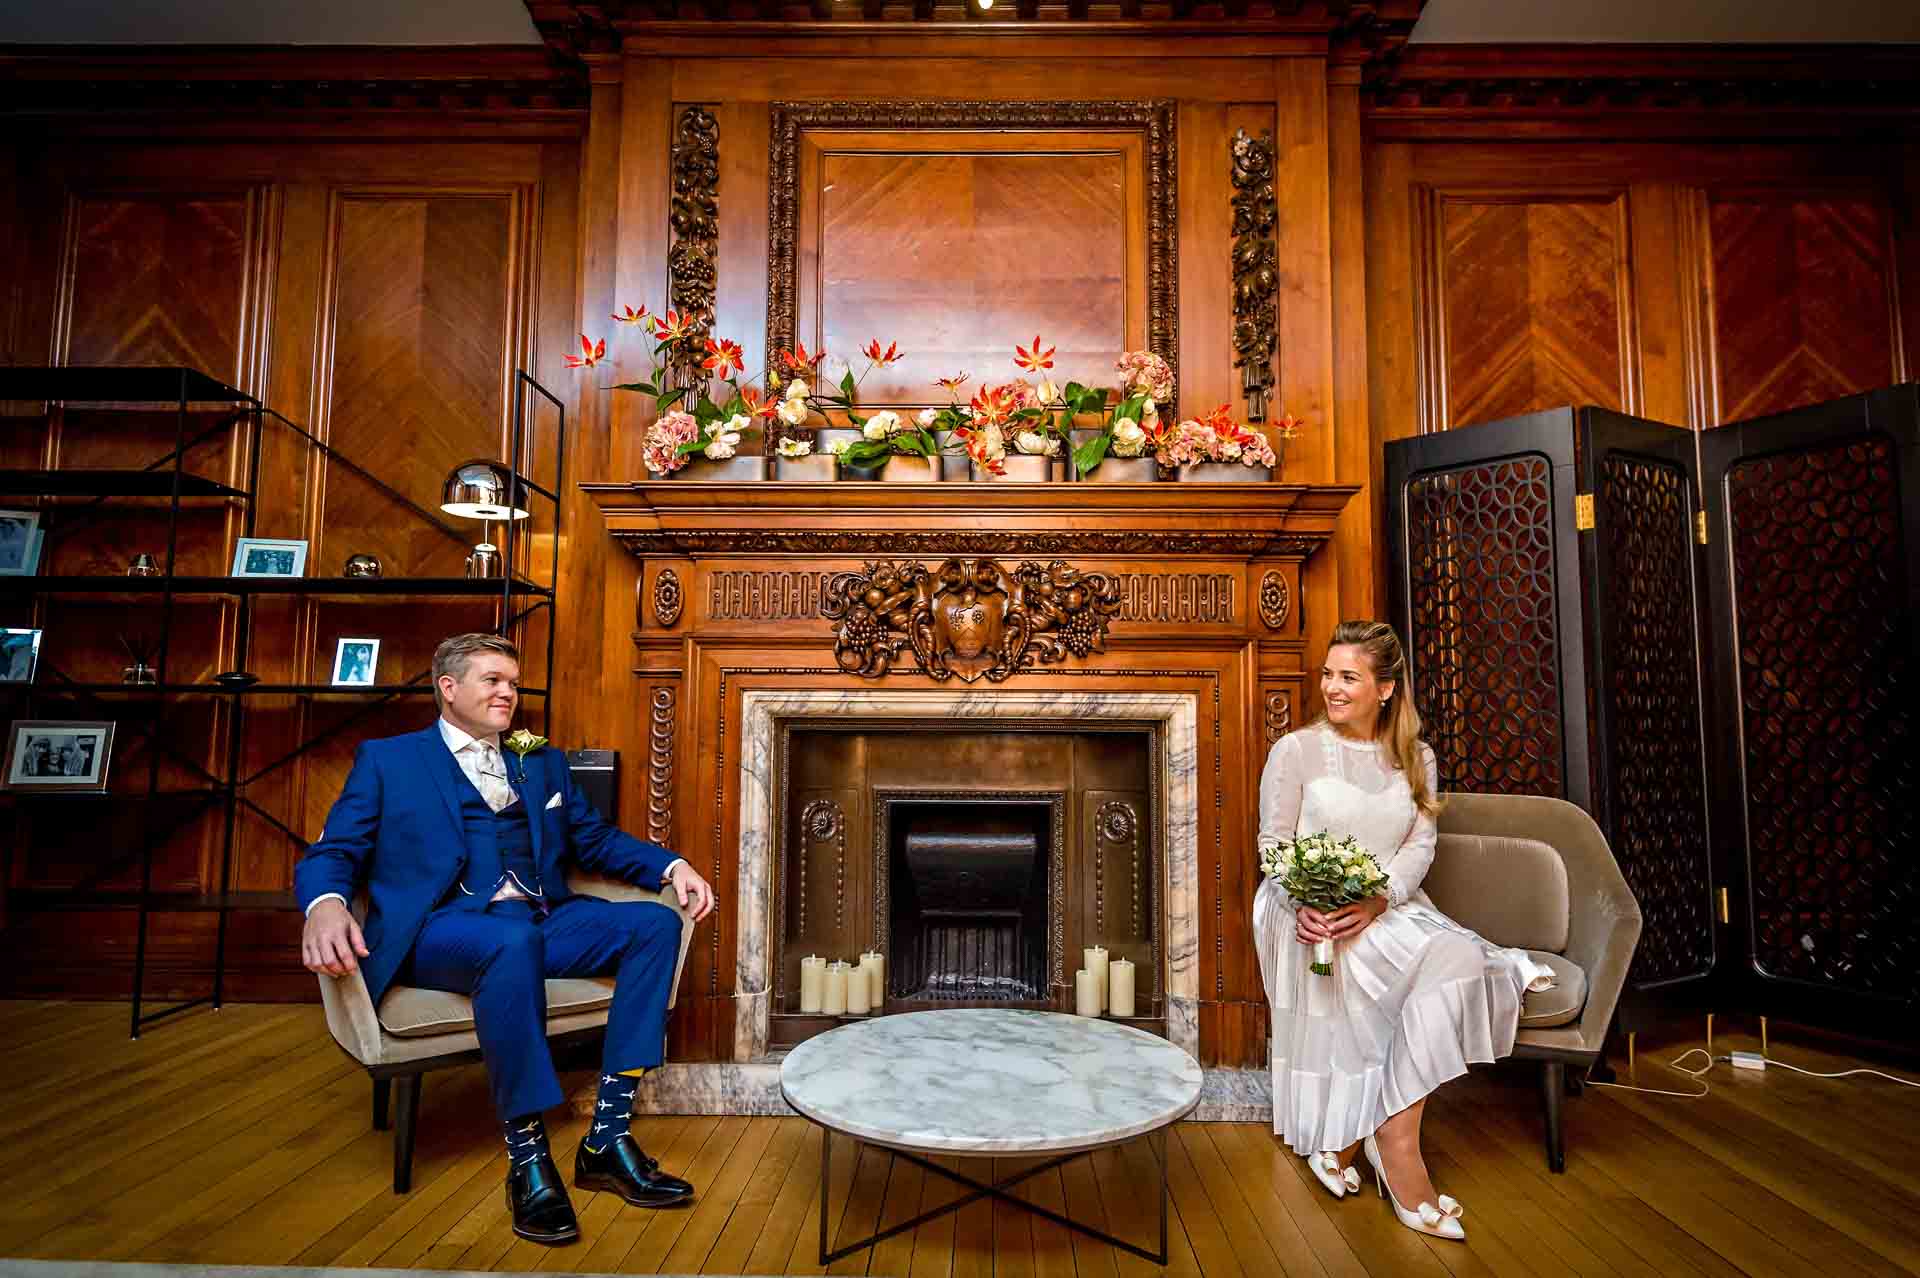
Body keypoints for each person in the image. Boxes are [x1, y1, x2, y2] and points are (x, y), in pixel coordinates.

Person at [297, 632, 717, 1247]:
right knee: (507, 945)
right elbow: (334, 851)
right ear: (448, 688)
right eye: (493, 680)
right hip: (442, 930)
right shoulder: (389, 761)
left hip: (542, 917)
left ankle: (607, 1137)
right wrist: (325, 905)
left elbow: (593, 840)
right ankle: (528, 1160)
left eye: (513, 683)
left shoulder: (540, 759)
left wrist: (670, 866)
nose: (508, 693)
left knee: (654, 924)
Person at [1252, 621, 1554, 1242]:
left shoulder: (1417, 757)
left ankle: (1380, 1131)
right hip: (1303, 913)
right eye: (1329, 675)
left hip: (1388, 905)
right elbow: (1273, 845)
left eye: (1348, 677)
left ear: (1385, 688)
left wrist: (1378, 898)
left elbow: (1421, 844)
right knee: (1429, 965)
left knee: (1465, 962)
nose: (1332, 688)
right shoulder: (1296, 751)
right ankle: (1395, 1152)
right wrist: (1305, 901)